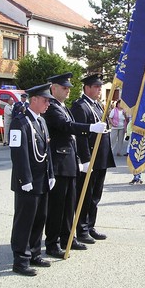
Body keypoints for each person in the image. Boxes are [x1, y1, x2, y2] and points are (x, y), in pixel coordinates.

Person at [43, 73, 106, 258]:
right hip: (60, 162)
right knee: (57, 206)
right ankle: (53, 243)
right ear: (53, 88)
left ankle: (67, 237)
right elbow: (67, 126)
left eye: (69, 87)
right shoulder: (52, 107)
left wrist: (79, 160)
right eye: (64, 88)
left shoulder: (63, 106)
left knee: (69, 204)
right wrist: (90, 128)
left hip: (70, 162)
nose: (68, 90)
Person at [9, 83, 56, 277]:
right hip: (27, 181)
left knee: (39, 218)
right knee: (24, 221)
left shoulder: (41, 121)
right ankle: (20, 259)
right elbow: (18, 153)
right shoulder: (19, 122)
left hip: (42, 178)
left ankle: (35, 253)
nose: (48, 105)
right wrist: (24, 178)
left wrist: (51, 174)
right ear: (34, 100)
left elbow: (47, 151)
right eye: (45, 101)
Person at [71, 73, 115, 244]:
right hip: (90, 157)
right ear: (87, 88)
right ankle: (81, 229)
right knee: (86, 194)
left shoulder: (97, 105)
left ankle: (90, 225)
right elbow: (80, 136)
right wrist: (85, 159)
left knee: (96, 195)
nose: (99, 90)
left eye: (100, 87)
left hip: (101, 157)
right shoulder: (80, 106)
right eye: (96, 87)